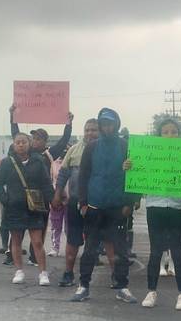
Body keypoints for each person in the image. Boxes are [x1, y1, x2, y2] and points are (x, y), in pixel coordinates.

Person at [123, 118, 181, 310]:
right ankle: (151, 291)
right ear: (159, 135)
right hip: (155, 206)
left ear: (179, 135)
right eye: (165, 132)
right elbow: (136, 175)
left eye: (174, 131)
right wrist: (128, 168)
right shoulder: (149, 154)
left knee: (177, 252)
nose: (170, 135)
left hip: (178, 207)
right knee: (155, 251)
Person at [72, 108, 140, 303]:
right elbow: (83, 176)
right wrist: (83, 203)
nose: (107, 127)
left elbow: (135, 176)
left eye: (110, 123)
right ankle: (83, 286)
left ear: (116, 124)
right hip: (94, 207)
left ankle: (122, 287)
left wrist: (130, 202)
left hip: (118, 208)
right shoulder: (92, 147)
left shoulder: (125, 145)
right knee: (90, 250)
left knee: (121, 251)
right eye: (103, 124)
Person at [9, 105, 73, 266]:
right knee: (18, 228)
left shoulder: (50, 153)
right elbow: (16, 135)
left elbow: (64, 140)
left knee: (40, 228)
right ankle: (12, 255)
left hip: (42, 198)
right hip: (24, 196)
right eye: (33, 138)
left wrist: (69, 124)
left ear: (45, 141)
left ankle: (34, 256)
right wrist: (12, 117)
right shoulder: (26, 152)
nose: (34, 141)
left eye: (38, 138)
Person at [0, 132, 54, 286]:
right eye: (18, 142)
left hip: (34, 208)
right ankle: (19, 271)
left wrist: (52, 200)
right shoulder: (7, 162)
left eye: (24, 142)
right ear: (14, 144)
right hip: (14, 208)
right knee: (16, 241)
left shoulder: (38, 161)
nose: (21, 145)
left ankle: (43, 273)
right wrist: (6, 199)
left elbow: (46, 183)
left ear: (29, 144)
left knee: (37, 242)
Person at [53, 118, 99, 286]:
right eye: (87, 130)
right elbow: (63, 174)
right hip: (75, 203)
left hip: (97, 204)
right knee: (72, 240)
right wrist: (57, 194)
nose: (90, 133)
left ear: (100, 131)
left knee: (95, 242)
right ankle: (68, 273)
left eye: (94, 130)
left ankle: (92, 278)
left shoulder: (105, 151)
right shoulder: (73, 150)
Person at [47, 153, 66, 257]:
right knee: (55, 224)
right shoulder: (53, 163)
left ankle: (70, 246)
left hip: (69, 197)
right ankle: (55, 248)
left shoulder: (71, 163)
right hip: (56, 197)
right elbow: (50, 181)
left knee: (70, 226)